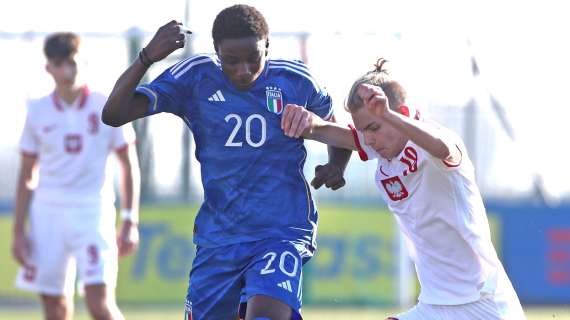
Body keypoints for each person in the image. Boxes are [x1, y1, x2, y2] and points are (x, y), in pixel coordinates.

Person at [101, 4, 350, 320]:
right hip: (220, 237)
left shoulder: (296, 80)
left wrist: (337, 164)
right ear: (217, 53)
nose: (244, 69)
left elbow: (337, 128)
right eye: (231, 61)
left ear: (267, 47)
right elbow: (113, 114)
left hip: (281, 230)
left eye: (253, 59)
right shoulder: (194, 78)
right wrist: (147, 57)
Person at [281, 58, 526, 320]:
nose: (370, 138)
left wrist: (387, 115)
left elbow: (442, 148)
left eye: (374, 127)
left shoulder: (436, 141)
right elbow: (324, 130)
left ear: (404, 114)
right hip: (434, 304)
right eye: (364, 131)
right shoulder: (378, 147)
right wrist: (302, 119)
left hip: (483, 302)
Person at [11, 32, 141, 320]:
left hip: (92, 212)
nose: (67, 70)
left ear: (83, 61)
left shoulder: (105, 104)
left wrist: (130, 219)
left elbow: (128, 163)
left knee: (100, 304)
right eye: (59, 64)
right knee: (55, 308)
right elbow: (26, 174)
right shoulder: (37, 110)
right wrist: (19, 231)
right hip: (48, 215)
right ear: (49, 68)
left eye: (72, 62)